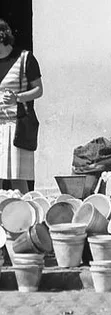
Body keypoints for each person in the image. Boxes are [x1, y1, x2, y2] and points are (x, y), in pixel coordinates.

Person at [0, 20, 43, 194]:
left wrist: (17, 98)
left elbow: (39, 90)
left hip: (16, 126)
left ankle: (26, 217)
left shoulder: (25, 58)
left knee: (18, 178)